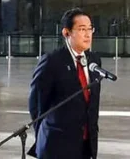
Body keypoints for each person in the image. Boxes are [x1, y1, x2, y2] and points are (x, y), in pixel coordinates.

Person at [28, 8, 102, 158]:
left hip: (86, 145)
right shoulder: (52, 61)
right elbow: (36, 105)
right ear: (66, 32)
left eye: (90, 29)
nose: (88, 34)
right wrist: (44, 134)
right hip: (57, 145)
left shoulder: (94, 60)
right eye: (82, 29)